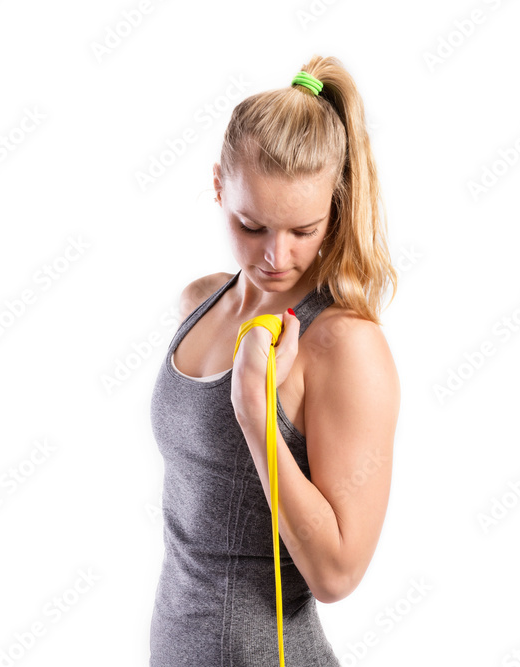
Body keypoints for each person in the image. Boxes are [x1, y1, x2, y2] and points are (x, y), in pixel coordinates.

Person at [149, 55, 400, 667]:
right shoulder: (199, 303)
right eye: (252, 226)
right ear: (218, 186)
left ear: (335, 206)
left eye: (303, 231)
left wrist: (255, 411)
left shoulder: (343, 345)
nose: (276, 256)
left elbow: (337, 574)